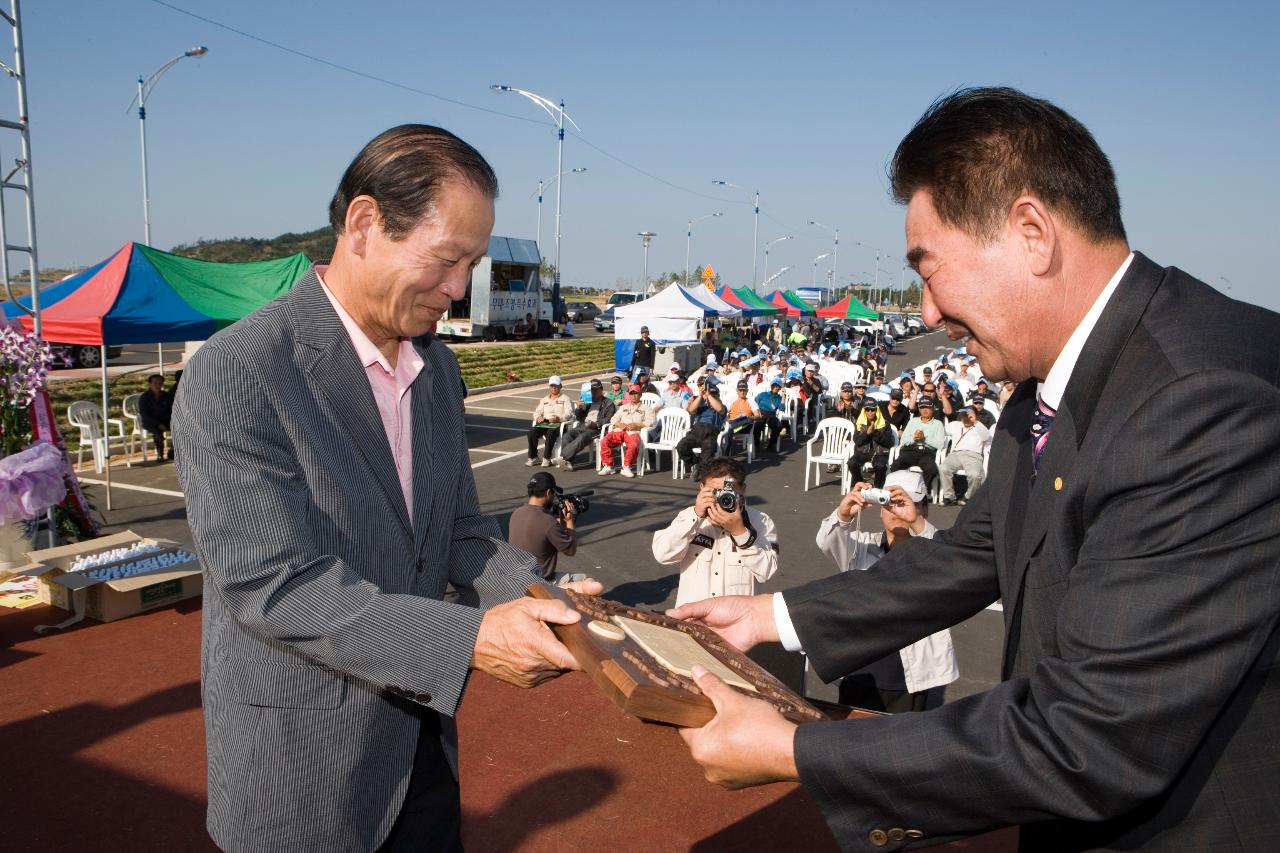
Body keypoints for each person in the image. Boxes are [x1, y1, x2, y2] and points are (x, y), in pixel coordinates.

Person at [667, 87, 1280, 851]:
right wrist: (769, 618)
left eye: (929, 269)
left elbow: (1089, 738)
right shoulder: (1046, 386)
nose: (924, 312)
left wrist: (793, 749)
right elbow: (975, 551)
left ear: (1031, 233)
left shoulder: (1202, 400)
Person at [174, 125, 603, 853]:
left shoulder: (436, 370)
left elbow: (462, 531)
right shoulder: (239, 371)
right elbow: (273, 586)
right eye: (447, 260)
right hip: (302, 770)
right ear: (366, 225)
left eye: (472, 264)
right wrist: (471, 638)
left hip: (422, 750)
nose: (460, 288)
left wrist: (540, 597)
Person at [815, 471, 958, 712]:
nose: (897, 511)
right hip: (859, 667)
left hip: (909, 676)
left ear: (924, 509)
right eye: (889, 503)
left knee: (901, 745)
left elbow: (953, 562)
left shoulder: (932, 549)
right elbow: (827, 541)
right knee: (851, 741)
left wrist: (917, 522)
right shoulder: (862, 545)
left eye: (905, 504)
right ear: (879, 508)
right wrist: (843, 514)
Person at [652, 456, 777, 608]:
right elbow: (663, 555)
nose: (722, 498)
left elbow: (767, 572)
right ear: (701, 488)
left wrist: (740, 533)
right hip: (692, 620)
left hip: (736, 624)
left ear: (743, 490)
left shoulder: (761, 522)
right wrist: (696, 516)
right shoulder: (688, 517)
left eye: (729, 492)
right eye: (714, 492)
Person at [507, 471, 577, 579]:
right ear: (548, 493)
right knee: (587, 582)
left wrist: (557, 522)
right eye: (553, 494)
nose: (554, 497)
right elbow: (570, 550)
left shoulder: (516, 513)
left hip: (516, 579)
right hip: (539, 582)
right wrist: (569, 520)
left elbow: (540, 533)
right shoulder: (548, 522)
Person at [555, 378, 615, 470]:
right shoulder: (587, 401)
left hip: (597, 429)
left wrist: (596, 424)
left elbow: (609, 419)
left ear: (601, 389)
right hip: (583, 426)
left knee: (582, 437)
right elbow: (578, 418)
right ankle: (568, 462)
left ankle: (562, 457)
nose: (593, 391)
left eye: (596, 389)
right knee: (568, 435)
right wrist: (579, 408)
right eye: (591, 390)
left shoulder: (608, 403)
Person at [892, 396, 945, 491]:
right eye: (922, 407)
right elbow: (903, 440)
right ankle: (900, 489)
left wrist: (924, 439)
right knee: (896, 465)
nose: (925, 410)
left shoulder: (938, 424)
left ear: (932, 408)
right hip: (911, 450)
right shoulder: (913, 421)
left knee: (932, 469)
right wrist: (913, 438)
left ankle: (921, 491)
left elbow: (940, 444)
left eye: (927, 407)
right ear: (919, 409)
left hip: (927, 452)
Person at [676, 376, 727, 476]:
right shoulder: (701, 406)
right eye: (709, 394)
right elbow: (690, 410)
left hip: (710, 434)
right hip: (696, 432)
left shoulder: (721, 406)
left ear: (717, 396)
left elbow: (720, 409)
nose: (710, 396)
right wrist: (700, 396)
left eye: (714, 394)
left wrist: (709, 395)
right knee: (681, 447)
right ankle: (695, 463)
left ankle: (701, 472)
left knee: (707, 455)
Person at [939, 407, 990, 506]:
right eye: (964, 415)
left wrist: (975, 421)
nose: (966, 417)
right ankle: (949, 496)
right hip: (955, 454)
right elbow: (943, 430)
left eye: (969, 415)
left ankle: (969, 497)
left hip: (973, 455)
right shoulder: (955, 425)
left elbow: (986, 437)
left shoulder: (979, 427)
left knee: (975, 475)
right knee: (943, 468)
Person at [600, 386, 654, 477]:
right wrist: (618, 424)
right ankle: (609, 466)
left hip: (634, 432)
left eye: (636, 393)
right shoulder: (623, 407)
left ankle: (626, 467)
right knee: (605, 441)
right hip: (620, 430)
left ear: (640, 395)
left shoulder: (646, 408)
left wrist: (638, 424)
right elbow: (613, 418)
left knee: (633, 445)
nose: (634, 396)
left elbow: (651, 421)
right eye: (632, 394)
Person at [525, 375, 573, 467]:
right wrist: (538, 417)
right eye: (552, 386)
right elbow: (536, 412)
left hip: (558, 424)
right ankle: (534, 457)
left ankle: (546, 458)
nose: (554, 387)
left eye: (556, 385)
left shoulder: (565, 398)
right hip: (545, 424)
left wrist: (558, 418)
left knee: (551, 432)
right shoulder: (544, 400)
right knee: (531, 432)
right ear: (549, 387)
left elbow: (569, 413)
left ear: (560, 386)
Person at [849, 399, 895, 488]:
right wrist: (866, 433)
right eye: (867, 410)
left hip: (880, 452)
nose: (870, 412)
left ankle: (878, 487)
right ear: (864, 411)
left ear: (876, 410)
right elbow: (857, 441)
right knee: (852, 463)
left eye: (872, 409)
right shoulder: (859, 423)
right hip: (863, 452)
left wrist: (875, 433)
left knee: (880, 466)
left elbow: (889, 443)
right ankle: (860, 483)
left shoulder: (885, 423)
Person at [137, 373, 173, 461]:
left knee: (179, 427)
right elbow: (144, 415)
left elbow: (171, 410)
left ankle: (174, 450)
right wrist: (158, 424)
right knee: (157, 432)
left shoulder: (166, 396)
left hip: (165, 420)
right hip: (150, 421)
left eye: (160, 383)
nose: (158, 385)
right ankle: (160, 454)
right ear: (150, 384)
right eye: (155, 383)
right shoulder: (144, 397)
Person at [752, 379, 785, 453]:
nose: (776, 388)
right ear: (771, 386)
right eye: (774, 386)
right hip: (761, 412)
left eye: (778, 386)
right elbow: (754, 403)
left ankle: (771, 444)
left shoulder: (779, 398)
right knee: (757, 425)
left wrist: (783, 396)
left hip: (771, 415)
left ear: (780, 388)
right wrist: (757, 412)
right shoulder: (763, 394)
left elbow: (782, 408)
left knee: (778, 426)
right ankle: (756, 444)